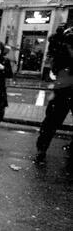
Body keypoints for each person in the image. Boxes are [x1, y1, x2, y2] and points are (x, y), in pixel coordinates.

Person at [36, 29, 73, 163]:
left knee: (51, 121)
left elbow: (55, 64)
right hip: (63, 88)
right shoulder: (63, 48)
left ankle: (42, 147)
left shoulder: (62, 48)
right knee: (51, 121)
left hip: (63, 88)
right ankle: (42, 148)